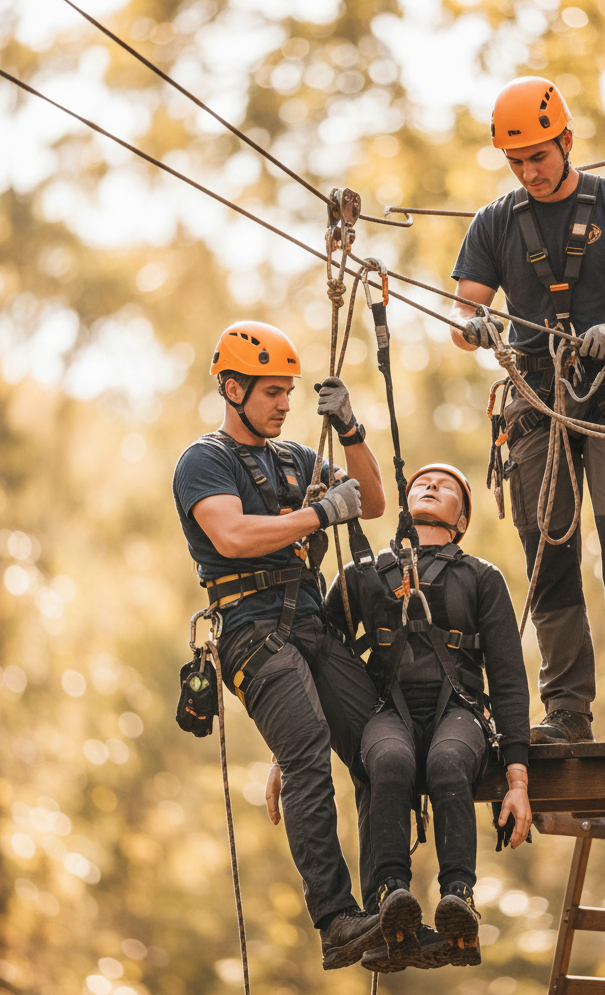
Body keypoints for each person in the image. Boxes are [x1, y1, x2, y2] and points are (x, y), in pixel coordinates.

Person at [449, 76, 605, 743]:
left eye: (539, 157)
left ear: (567, 141)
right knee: (549, 551)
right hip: (536, 402)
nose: (529, 171)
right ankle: (566, 712)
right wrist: (473, 326)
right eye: (516, 161)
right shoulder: (496, 222)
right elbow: (464, 307)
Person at [171, 320, 387, 967]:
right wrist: (320, 513)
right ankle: (337, 920)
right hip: (252, 630)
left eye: (289, 392)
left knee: (382, 742)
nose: (284, 404)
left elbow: (372, 501)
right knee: (307, 757)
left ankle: (388, 894)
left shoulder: (295, 458)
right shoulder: (204, 460)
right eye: (271, 392)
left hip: (309, 625)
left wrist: (350, 431)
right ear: (232, 389)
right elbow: (234, 538)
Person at [324, 464, 531, 971]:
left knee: (446, 762)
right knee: (390, 761)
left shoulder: (481, 578)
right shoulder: (362, 577)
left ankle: (458, 897)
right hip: (384, 710)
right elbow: (313, 662)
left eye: (448, 486)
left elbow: (508, 678)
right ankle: (391, 902)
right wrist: (286, 752)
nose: (431, 485)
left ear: (461, 521)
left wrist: (518, 776)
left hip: (457, 711)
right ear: (401, 505)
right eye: (420, 482)